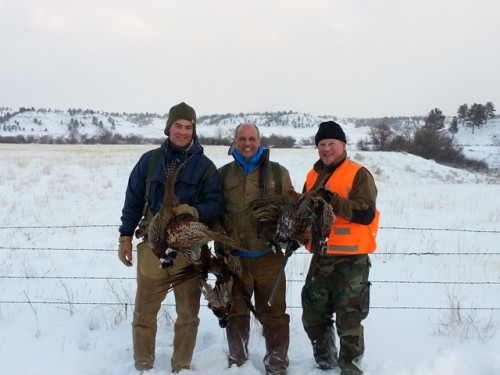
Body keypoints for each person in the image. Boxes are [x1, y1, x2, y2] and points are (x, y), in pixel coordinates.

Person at [118, 102, 224, 373]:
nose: (183, 131)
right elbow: (132, 200)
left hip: (188, 252)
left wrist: (194, 210)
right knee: (144, 313)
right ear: (168, 128)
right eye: (178, 126)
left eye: (188, 127)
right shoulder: (149, 161)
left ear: (194, 130)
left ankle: (181, 366)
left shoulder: (205, 167)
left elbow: (216, 205)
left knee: (188, 315)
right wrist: (125, 237)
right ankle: (143, 366)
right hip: (152, 249)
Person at [301, 121, 380, 375]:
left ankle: (350, 367)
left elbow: (366, 213)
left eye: (331, 143)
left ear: (343, 145)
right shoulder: (313, 175)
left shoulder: (358, 173)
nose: (326, 149)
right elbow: (305, 212)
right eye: (321, 144)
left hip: (351, 261)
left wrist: (332, 201)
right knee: (313, 315)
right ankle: (324, 363)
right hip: (321, 257)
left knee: (349, 320)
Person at [218, 123, 296, 375]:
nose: (247, 143)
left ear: (259, 141)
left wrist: (293, 230)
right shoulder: (222, 175)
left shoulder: (277, 173)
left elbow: (293, 207)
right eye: (242, 138)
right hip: (234, 259)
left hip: (269, 258)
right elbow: (214, 211)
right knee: (235, 313)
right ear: (234, 141)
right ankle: (238, 363)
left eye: (252, 138)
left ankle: (276, 365)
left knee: (274, 315)